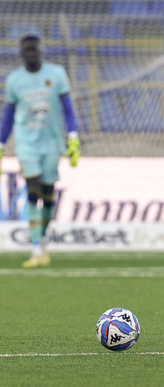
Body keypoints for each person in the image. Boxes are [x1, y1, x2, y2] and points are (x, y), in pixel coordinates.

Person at [0, 35, 80, 268]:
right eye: (27, 50)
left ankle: (41, 239)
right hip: (27, 143)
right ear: (21, 53)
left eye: (34, 49)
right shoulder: (15, 80)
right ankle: (36, 249)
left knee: (47, 194)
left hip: (52, 142)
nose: (31, 53)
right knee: (33, 189)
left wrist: (73, 137)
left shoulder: (55, 75)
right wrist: (1, 145)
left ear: (40, 51)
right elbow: (7, 118)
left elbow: (68, 110)